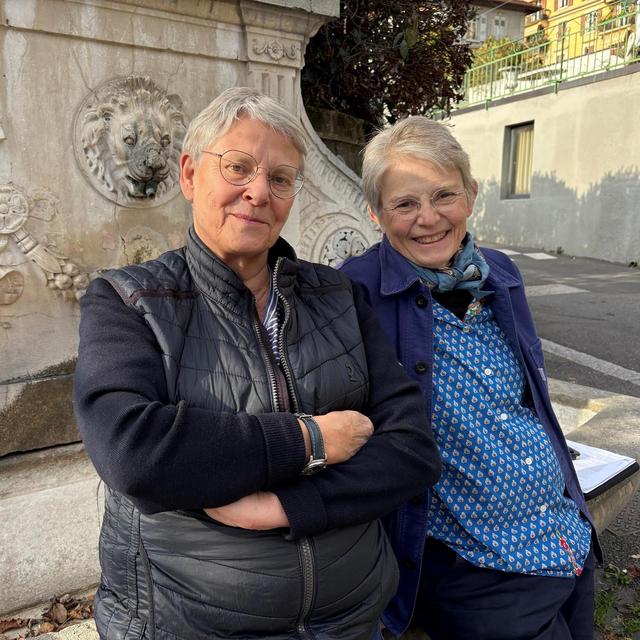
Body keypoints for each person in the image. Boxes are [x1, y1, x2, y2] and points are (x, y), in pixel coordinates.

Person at [73, 87, 441, 640]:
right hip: (190, 623)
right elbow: (135, 453)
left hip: (351, 620)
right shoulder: (130, 302)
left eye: (280, 179)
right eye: (238, 168)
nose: (258, 192)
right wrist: (312, 440)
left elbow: (411, 450)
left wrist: (285, 505)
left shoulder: (337, 296)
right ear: (191, 175)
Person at [340, 116, 599, 640]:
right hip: (478, 568)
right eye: (405, 204)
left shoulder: (501, 273)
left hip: (564, 535)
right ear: (374, 212)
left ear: (472, 195)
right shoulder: (353, 291)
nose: (428, 218)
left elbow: (530, 397)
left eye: (444, 195)